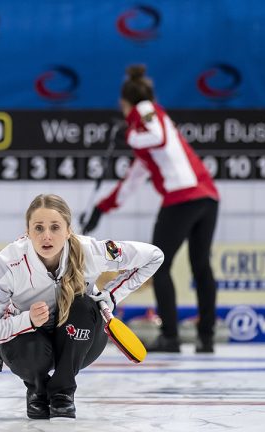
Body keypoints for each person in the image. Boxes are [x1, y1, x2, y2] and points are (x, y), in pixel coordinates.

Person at [0, 194, 163, 420]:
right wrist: (27, 321)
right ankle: (37, 390)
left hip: (81, 343)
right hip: (28, 347)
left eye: (55, 227)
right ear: (27, 231)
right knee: (29, 346)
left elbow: (154, 256)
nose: (47, 236)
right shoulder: (8, 263)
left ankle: (63, 393)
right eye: (39, 228)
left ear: (68, 230)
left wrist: (111, 295)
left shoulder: (91, 250)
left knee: (83, 304)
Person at [81, 64, 220, 353]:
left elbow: (157, 136)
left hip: (183, 198)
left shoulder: (145, 110)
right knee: (200, 265)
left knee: (160, 264)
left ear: (124, 103)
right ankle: (205, 338)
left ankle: (170, 336)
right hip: (207, 198)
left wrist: (129, 134)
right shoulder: (145, 135)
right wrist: (101, 207)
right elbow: (133, 178)